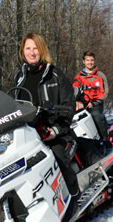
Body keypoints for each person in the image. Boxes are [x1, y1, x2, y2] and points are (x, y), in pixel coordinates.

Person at [13, 32, 80, 199]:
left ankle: (74, 197)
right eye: (28, 48)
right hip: (25, 134)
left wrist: (56, 130)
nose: (32, 52)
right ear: (23, 51)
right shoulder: (19, 76)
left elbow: (69, 105)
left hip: (52, 133)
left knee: (57, 157)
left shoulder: (55, 75)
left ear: (42, 50)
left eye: (35, 48)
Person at [72, 51, 109, 139]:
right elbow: (74, 92)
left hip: (95, 104)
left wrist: (94, 103)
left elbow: (104, 93)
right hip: (81, 104)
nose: (90, 62)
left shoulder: (100, 76)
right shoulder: (78, 77)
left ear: (94, 61)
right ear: (83, 61)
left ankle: (104, 139)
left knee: (96, 115)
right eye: (87, 60)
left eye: (92, 60)